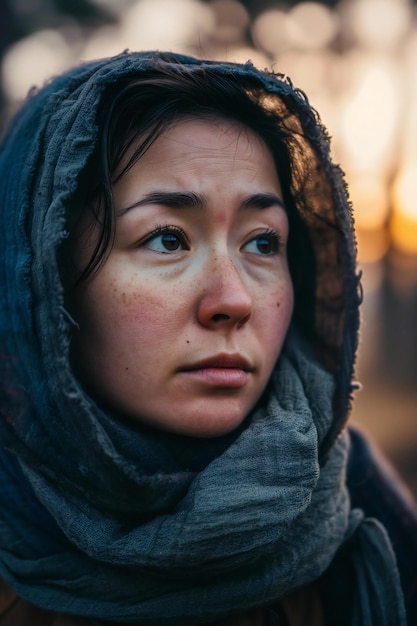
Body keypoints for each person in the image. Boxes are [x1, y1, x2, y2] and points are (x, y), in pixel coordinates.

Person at [0, 50, 416, 626]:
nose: (234, 300)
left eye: (262, 243)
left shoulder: (359, 501)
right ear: (42, 280)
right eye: (168, 239)